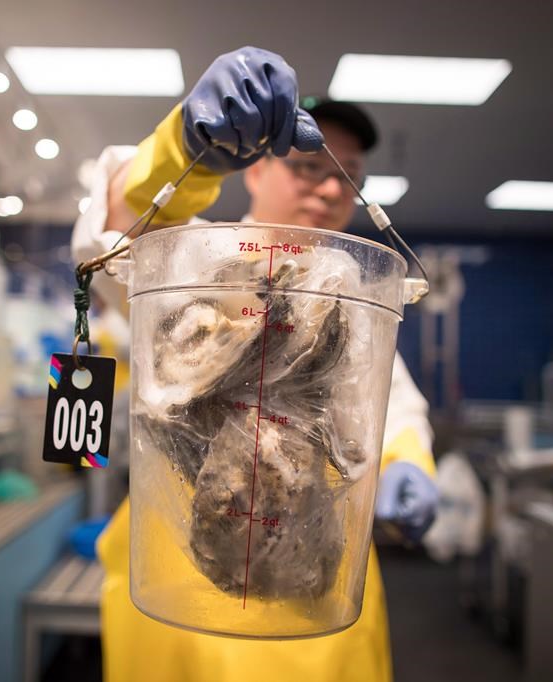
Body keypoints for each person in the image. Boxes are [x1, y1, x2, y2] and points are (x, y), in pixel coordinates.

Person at [72, 46, 438, 682]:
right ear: (254, 172)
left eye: (347, 172)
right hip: (179, 581)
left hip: (315, 581)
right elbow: (110, 237)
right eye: (306, 167)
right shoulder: (183, 260)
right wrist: (180, 151)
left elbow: (388, 401)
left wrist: (410, 462)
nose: (330, 187)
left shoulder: (353, 290)